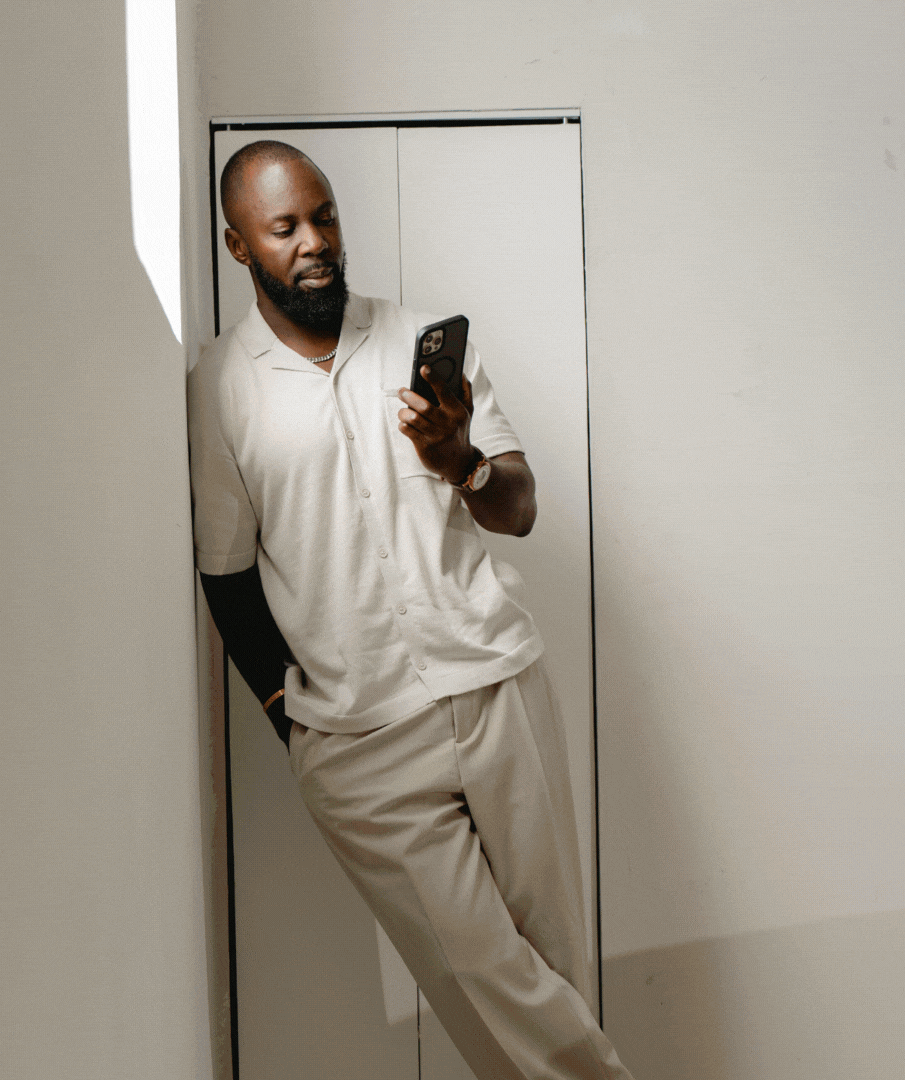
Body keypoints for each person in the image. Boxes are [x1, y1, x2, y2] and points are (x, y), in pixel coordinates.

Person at [189, 139, 634, 1080]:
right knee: (484, 975)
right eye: (284, 227)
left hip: (497, 688)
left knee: (552, 973)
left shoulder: (421, 338)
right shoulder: (220, 386)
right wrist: (289, 717)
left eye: (324, 217)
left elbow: (517, 508)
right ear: (239, 246)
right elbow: (226, 574)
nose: (314, 241)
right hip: (361, 739)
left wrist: (460, 459)